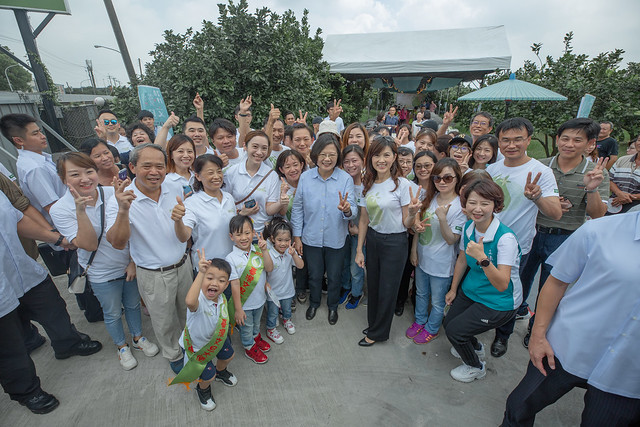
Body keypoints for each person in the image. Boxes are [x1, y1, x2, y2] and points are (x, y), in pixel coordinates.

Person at [501, 210, 640, 426]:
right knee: (519, 407)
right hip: (565, 347)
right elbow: (557, 282)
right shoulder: (599, 230)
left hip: (628, 372)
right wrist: (538, 335)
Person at [50, 152, 159, 370]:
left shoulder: (111, 193)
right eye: (75, 174)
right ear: (63, 179)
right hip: (100, 272)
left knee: (132, 305)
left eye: (89, 171)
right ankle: (121, 346)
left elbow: (133, 230)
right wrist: (80, 211)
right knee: (112, 312)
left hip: (127, 265)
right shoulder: (60, 209)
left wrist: (132, 261)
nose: (85, 179)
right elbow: (89, 244)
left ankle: (138, 337)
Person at [0, 191, 102, 414]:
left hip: (23, 271)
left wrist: (57, 239)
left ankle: (67, 343)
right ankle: (27, 391)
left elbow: (18, 220)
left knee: (53, 308)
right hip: (1, 288)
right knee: (9, 345)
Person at [520, 118, 609, 348]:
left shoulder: (596, 173)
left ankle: (535, 330)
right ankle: (513, 316)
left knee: (549, 289)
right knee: (520, 280)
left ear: (590, 144)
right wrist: (545, 201)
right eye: (565, 138)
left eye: (577, 140)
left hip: (565, 238)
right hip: (532, 232)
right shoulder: (539, 166)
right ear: (558, 139)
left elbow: (598, 214)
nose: (569, 144)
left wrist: (591, 190)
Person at [106, 143, 193, 375]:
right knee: (164, 321)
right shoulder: (121, 199)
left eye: (159, 166)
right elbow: (117, 242)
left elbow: (184, 233)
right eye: (147, 166)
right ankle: (174, 354)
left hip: (184, 265)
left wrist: (179, 220)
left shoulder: (174, 187)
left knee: (189, 312)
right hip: (154, 274)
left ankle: (191, 347)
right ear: (132, 167)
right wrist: (123, 210)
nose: (154, 172)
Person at [486, 117, 561, 358]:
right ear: (498, 142)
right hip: (487, 242)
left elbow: (555, 213)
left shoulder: (541, 172)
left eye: (518, 139)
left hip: (518, 246)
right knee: (486, 285)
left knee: (511, 292)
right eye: (505, 140)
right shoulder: (492, 170)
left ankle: (503, 335)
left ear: (528, 140)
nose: (511, 145)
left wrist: (536, 198)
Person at [443, 179, 522, 382]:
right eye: (472, 202)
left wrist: (483, 258)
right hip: (472, 290)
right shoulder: (469, 227)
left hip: (498, 301)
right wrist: (453, 289)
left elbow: (502, 284)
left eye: (485, 204)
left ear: (495, 206)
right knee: (449, 323)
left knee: (455, 331)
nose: (477, 209)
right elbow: (462, 259)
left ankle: (476, 367)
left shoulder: (505, 239)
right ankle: (475, 347)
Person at [355, 136, 421, 346]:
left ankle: (378, 333)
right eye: (376, 155)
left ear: (394, 157)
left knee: (387, 289)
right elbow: (364, 219)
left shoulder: (401, 185)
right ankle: (373, 324)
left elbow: (406, 222)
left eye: (386, 155)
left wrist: (412, 214)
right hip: (373, 239)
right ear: (370, 158)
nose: (381, 160)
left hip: (395, 243)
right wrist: (359, 250)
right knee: (373, 286)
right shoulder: (368, 183)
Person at [291, 134, 356, 325]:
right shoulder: (306, 177)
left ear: (338, 157)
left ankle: (333, 306)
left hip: (336, 238)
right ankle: (314, 302)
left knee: (334, 276)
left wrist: (347, 209)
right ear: (316, 155)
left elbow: (352, 210)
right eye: (323, 154)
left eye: (332, 155)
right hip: (311, 238)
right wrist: (297, 237)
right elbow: (297, 208)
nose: (327, 159)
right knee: (315, 275)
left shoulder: (345, 179)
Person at [408, 158, 466, 344]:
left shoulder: (459, 207)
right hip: (422, 258)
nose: (441, 182)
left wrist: (442, 218)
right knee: (420, 293)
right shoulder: (429, 198)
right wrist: (414, 250)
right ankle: (420, 321)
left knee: (438, 301)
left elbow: (451, 240)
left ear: (457, 179)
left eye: (447, 178)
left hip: (442, 264)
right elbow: (419, 227)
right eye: (437, 178)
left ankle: (432, 328)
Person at [177, 254, 237, 411]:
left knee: (229, 356)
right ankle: (203, 390)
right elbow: (189, 302)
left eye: (221, 281)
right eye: (209, 278)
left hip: (216, 340)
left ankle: (221, 372)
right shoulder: (199, 300)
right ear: (202, 278)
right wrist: (201, 272)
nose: (214, 283)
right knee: (208, 376)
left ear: (226, 285)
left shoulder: (222, 298)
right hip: (197, 348)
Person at [171, 154, 236, 272]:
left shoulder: (229, 198)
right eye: (210, 173)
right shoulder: (192, 203)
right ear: (198, 176)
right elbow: (184, 236)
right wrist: (178, 220)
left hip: (231, 266)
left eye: (219, 171)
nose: (216, 176)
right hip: (206, 269)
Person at [225, 215, 274, 364]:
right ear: (231, 236)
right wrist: (238, 309)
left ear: (253, 233)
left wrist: (265, 251)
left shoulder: (258, 250)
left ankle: (256, 337)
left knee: (256, 323)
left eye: (247, 233)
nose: (244, 238)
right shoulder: (231, 258)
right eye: (239, 234)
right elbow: (234, 284)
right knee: (246, 327)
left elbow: (269, 268)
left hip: (260, 299)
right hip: (244, 304)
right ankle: (249, 346)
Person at [1, 113, 67, 225]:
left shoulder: (41, 160)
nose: (43, 136)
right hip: (67, 224)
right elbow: (52, 206)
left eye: (40, 131)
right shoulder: (34, 168)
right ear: (19, 140)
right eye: (35, 134)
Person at [224, 131, 282, 233]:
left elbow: (269, 210)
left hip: (261, 233)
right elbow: (225, 204)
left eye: (264, 148)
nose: (259, 152)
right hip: (238, 233)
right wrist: (241, 213)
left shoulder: (272, 175)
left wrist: (282, 202)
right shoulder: (231, 173)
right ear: (245, 146)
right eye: (255, 146)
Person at [263, 218, 304, 343]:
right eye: (279, 240)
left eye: (287, 240)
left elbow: (300, 265)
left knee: (287, 309)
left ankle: (287, 320)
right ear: (272, 239)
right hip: (273, 293)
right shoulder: (269, 254)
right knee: (272, 313)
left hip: (287, 290)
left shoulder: (290, 252)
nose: (283, 243)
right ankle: (271, 329)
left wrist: (294, 254)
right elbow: (267, 270)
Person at [339, 145, 366, 309]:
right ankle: (345, 287)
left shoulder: (368, 184)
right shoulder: (342, 181)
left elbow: (369, 215)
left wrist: (360, 231)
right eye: (346, 162)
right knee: (344, 263)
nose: (350, 165)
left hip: (359, 233)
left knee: (356, 267)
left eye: (354, 161)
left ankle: (356, 293)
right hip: (343, 231)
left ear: (363, 161)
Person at [609, 135, 640, 213]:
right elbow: (609, 180)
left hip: (636, 208)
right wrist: (619, 193)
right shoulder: (622, 160)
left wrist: (629, 197)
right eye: (639, 140)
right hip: (614, 204)